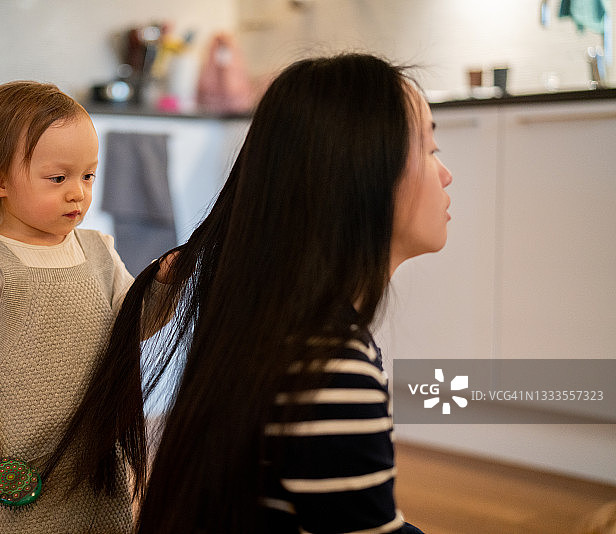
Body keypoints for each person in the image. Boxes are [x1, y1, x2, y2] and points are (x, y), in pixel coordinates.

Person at [47, 52, 451, 533]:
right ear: (362, 176)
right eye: (428, 149)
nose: (445, 174)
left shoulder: (272, 332)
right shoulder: (330, 372)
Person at [0, 80, 172, 533]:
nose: (77, 192)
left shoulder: (99, 250)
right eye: (58, 178)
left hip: (98, 460)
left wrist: (160, 287)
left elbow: (133, 328)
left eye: (88, 175)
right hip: (26, 467)